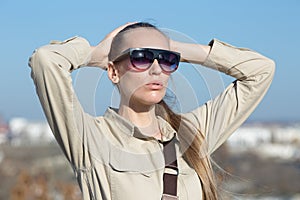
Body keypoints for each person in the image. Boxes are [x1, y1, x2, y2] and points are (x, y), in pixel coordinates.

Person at [28, 22, 275, 200]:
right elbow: (46, 61)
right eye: (142, 57)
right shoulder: (90, 139)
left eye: (166, 60)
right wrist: (95, 54)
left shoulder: (192, 133)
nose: (156, 70)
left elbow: (260, 71)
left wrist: (176, 48)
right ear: (113, 72)